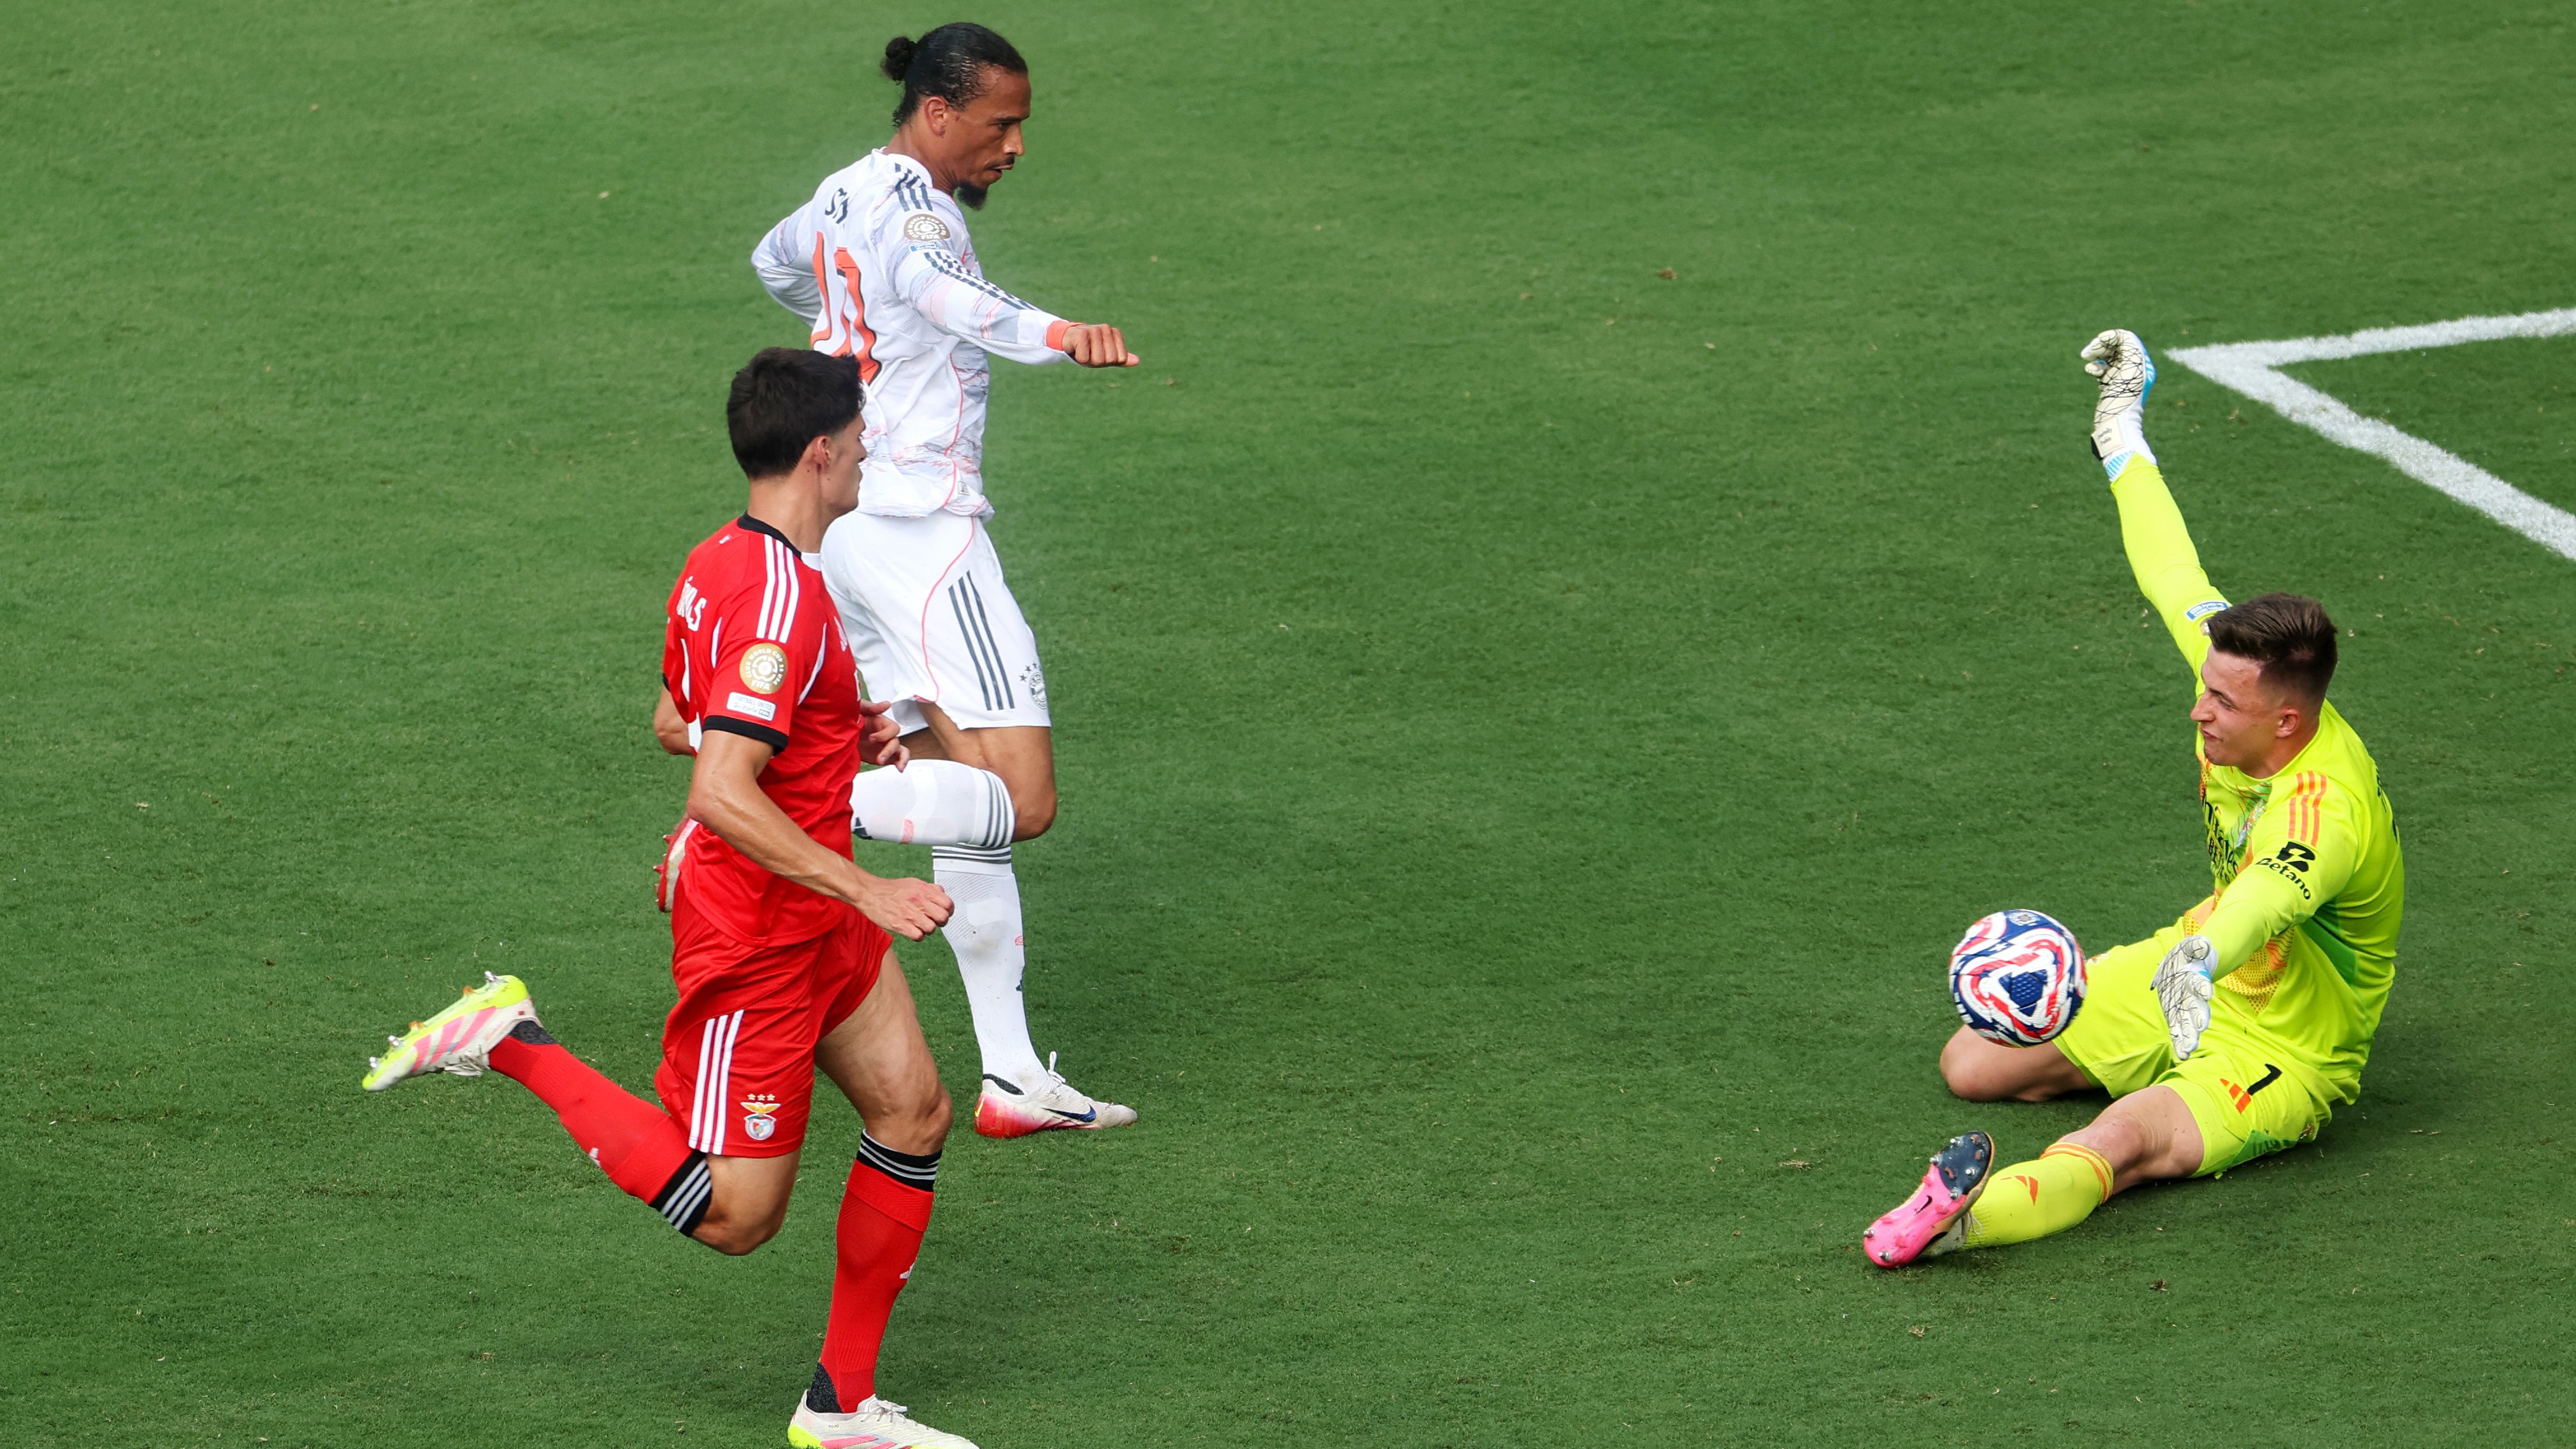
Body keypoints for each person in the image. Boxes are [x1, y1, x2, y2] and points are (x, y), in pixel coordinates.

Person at [363, 349, 986, 1449]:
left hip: (813, 908)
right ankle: (512, 1039)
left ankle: (839, 1408)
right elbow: (719, 787)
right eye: (859, 438)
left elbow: (676, 719)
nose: (868, 452)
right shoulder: (779, 599)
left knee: (914, 1112)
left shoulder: (721, 562)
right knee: (739, 1216)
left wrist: (833, 733)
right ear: (819, 452)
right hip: (760, 930)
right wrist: (871, 886)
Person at [1862, 329, 2406, 1267]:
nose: (2199, 708)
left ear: (2286, 722)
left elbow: (2270, 894)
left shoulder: (2327, 812)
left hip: (2279, 1049)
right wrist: (2122, 433)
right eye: (2205, 685)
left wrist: (2202, 958)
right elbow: (2172, 572)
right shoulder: (2240, 682)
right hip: (2182, 974)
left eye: (2222, 702)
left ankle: (1956, 1221)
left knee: (2120, 1141)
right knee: (1973, 1062)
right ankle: (2135, 1060)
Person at [749, 22, 1140, 1138]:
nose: (1013, 146)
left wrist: (845, 328)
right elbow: (945, 293)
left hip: (851, 524)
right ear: (936, 113)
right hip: (924, 531)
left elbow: (776, 262)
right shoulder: (922, 214)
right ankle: (751, 818)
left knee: (953, 793)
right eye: (1000, 124)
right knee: (1019, 796)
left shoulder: (841, 192)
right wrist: (1059, 332)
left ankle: (1011, 1075)